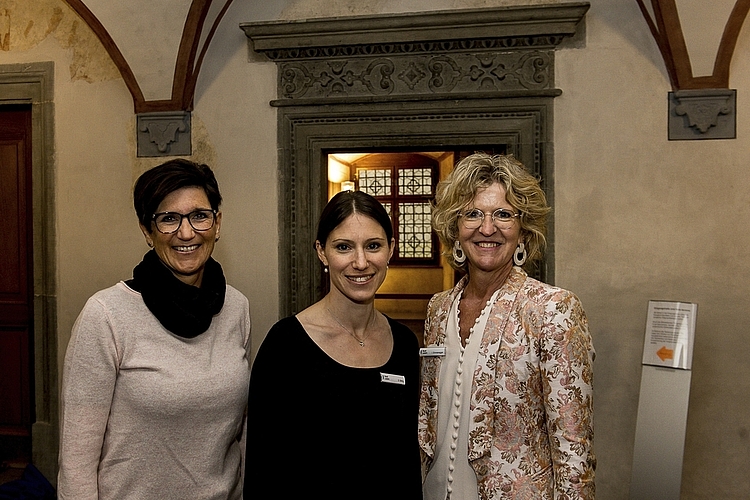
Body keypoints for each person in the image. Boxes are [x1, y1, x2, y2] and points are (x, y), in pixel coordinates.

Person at [58, 159, 252, 500]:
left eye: (199, 215)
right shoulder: (106, 315)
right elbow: (76, 460)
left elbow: (240, 433)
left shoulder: (236, 308)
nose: (187, 232)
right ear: (147, 231)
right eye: (168, 219)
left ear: (217, 223)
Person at [419, 153, 596, 499]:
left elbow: (575, 452)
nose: (487, 228)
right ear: (455, 229)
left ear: (523, 229)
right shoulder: (438, 310)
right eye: (472, 214)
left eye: (503, 214)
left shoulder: (552, 310)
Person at [245, 190, 422, 499]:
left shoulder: (405, 344)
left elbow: (406, 465)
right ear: (322, 252)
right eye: (343, 247)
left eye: (373, 246)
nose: (361, 262)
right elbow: (263, 472)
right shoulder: (285, 346)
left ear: (391, 249)